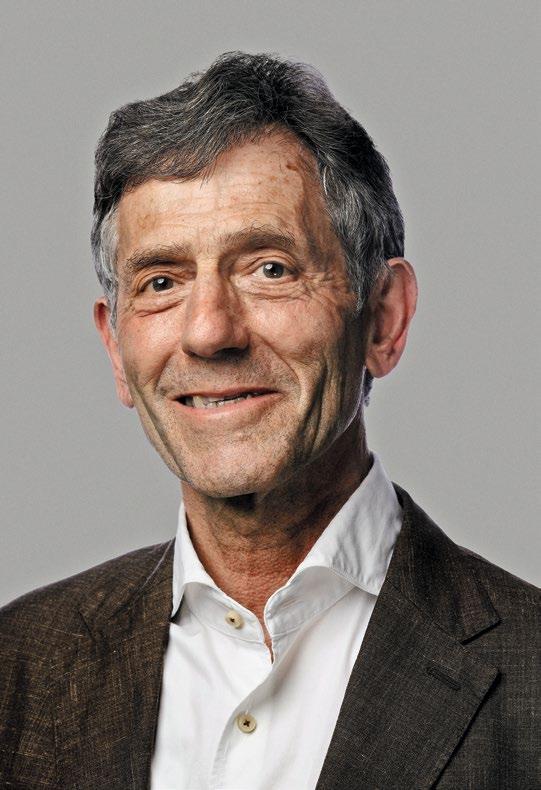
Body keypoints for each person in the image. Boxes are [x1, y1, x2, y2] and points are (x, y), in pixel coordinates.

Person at [0, 52, 538, 790]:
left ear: (383, 318)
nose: (209, 332)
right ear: (117, 350)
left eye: (270, 269)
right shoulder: (16, 668)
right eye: (161, 281)